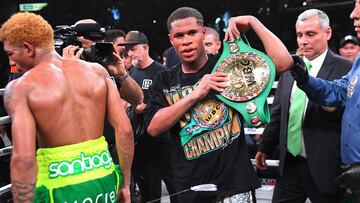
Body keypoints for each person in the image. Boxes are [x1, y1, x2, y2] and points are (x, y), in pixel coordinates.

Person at [143, 7, 292, 202]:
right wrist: (195, 94)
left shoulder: (227, 66)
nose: (186, 40)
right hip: (189, 188)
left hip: (234, 187)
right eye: (179, 35)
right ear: (171, 40)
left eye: (192, 33)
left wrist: (253, 21)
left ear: (203, 33)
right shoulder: (164, 80)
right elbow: (153, 127)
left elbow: (284, 63)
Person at [0, 12, 134, 203]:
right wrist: (125, 185)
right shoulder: (97, 72)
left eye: (11, 54)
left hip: (58, 188)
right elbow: (125, 130)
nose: (11, 63)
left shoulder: (21, 87)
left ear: (29, 49)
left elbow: (24, 159)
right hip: (104, 179)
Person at [255, 9, 352, 202]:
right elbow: (279, 113)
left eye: (310, 34)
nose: (303, 41)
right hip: (290, 164)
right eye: (299, 35)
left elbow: (352, 122)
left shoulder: (346, 69)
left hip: (326, 167)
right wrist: (264, 146)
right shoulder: (289, 66)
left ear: (328, 33)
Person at [289, 1, 360, 201]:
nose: (353, 14)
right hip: (351, 174)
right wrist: (304, 79)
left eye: (359, 4)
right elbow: (338, 92)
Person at [120, 30, 176, 203]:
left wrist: (139, 107)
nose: (130, 53)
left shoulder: (162, 72)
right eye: (127, 49)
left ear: (145, 48)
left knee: (175, 187)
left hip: (162, 141)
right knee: (148, 193)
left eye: (134, 48)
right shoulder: (131, 75)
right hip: (140, 142)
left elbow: (170, 104)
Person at [62, 19, 143, 105]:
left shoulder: (107, 67)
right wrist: (68, 71)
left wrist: (122, 75)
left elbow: (137, 100)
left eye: (97, 43)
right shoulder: (60, 67)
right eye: (85, 48)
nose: (91, 50)